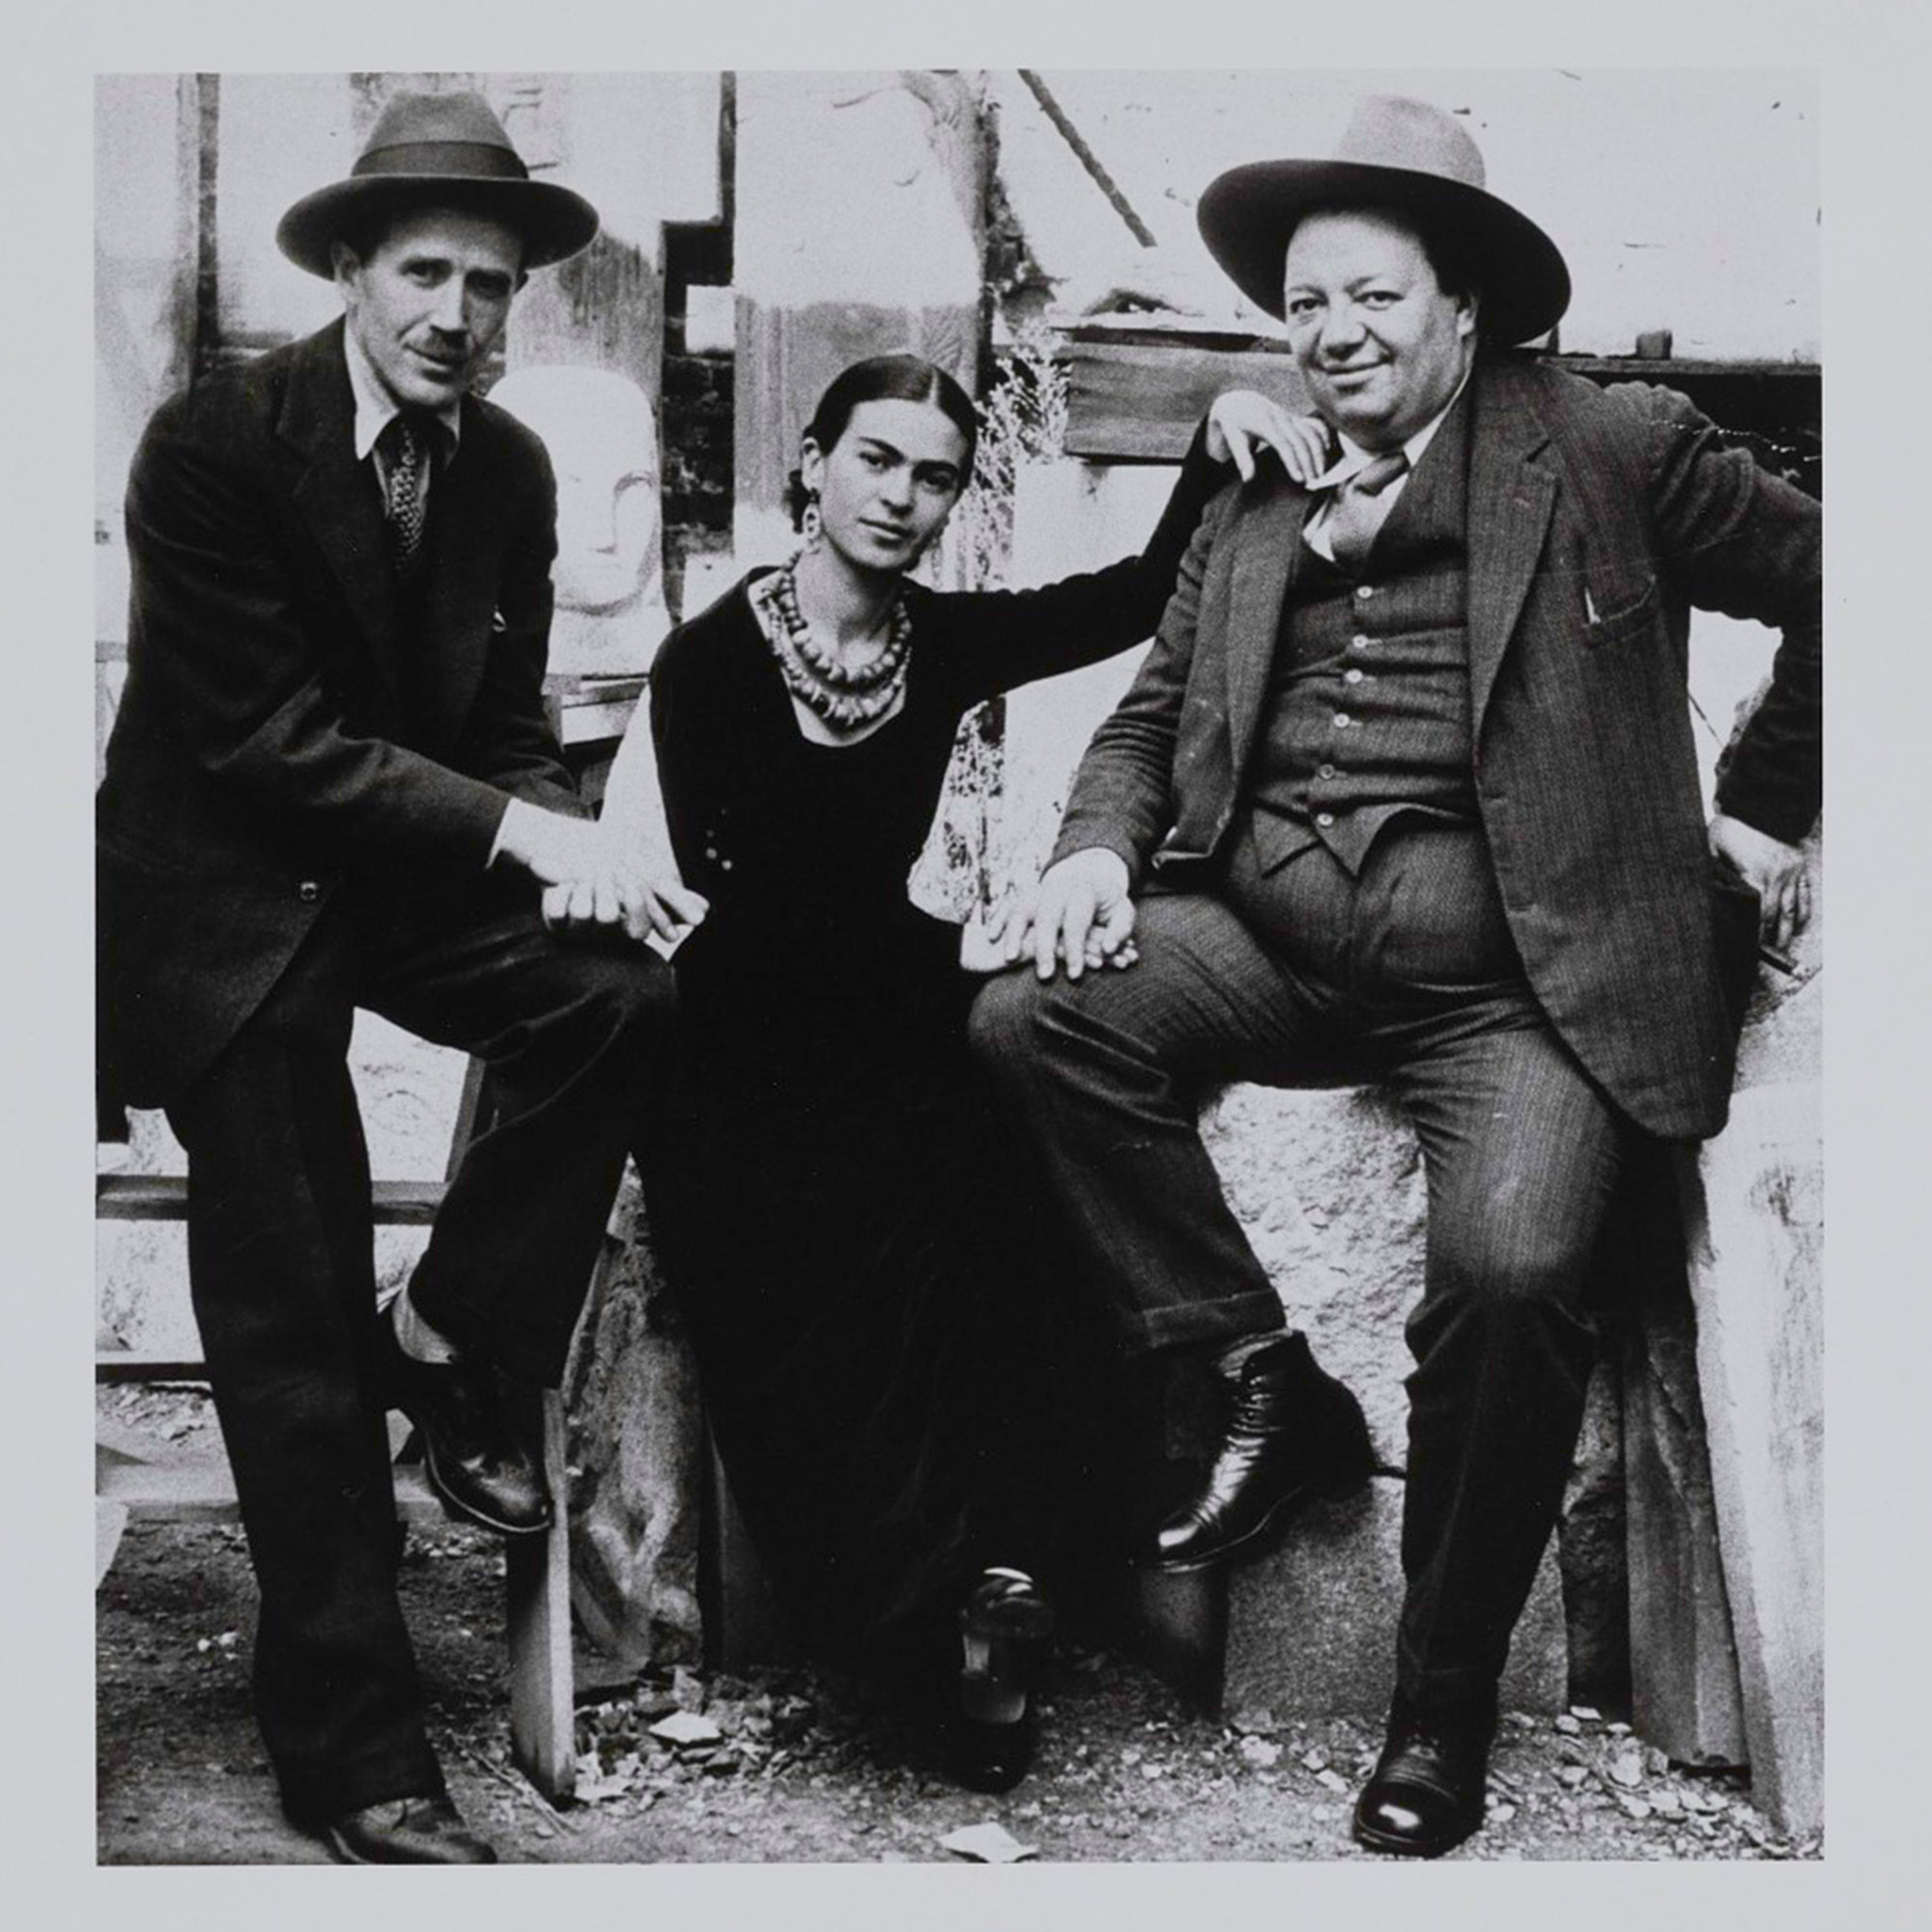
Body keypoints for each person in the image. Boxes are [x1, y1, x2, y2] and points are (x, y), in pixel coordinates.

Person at [971, 95, 1819, 1856]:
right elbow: (1146, 716)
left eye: (1372, 298)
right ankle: (1259, 1375)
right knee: (1032, 1016)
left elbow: (1864, 575)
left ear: (1465, 307)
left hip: (1522, 987)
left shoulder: (1611, 447)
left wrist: (1758, 810)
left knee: (1511, 1277)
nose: (1333, 335)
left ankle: (1437, 1711)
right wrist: (1091, 853)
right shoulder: (1262, 485)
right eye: (1306, 304)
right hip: (1267, 946)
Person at [96, 92, 702, 1864]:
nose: (458, 314)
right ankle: (354, 1750)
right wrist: (523, 835)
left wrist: (592, 856)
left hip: (394, 881)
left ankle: (441, 1338)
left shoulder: (505, 469)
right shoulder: (213, 443)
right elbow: (267, 744)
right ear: (351, 270)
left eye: (491, 285)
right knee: (292, 1272)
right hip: (218, 902)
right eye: (425, 273)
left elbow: (500, 731)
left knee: (619, 998)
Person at [624, 352, 1321, 1789]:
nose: (901, 497)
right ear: (813, 466)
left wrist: (1212, 448)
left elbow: (1133, 599)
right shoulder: (710, 659)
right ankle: (911, 1631)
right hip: (740, 1054)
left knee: (1002, 1218)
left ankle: (1004, 1594)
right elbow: (751, 913)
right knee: (814, 1279)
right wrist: (956, 948)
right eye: (876, 460)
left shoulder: (934, 644)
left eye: (934, 477)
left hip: (890, 1021)